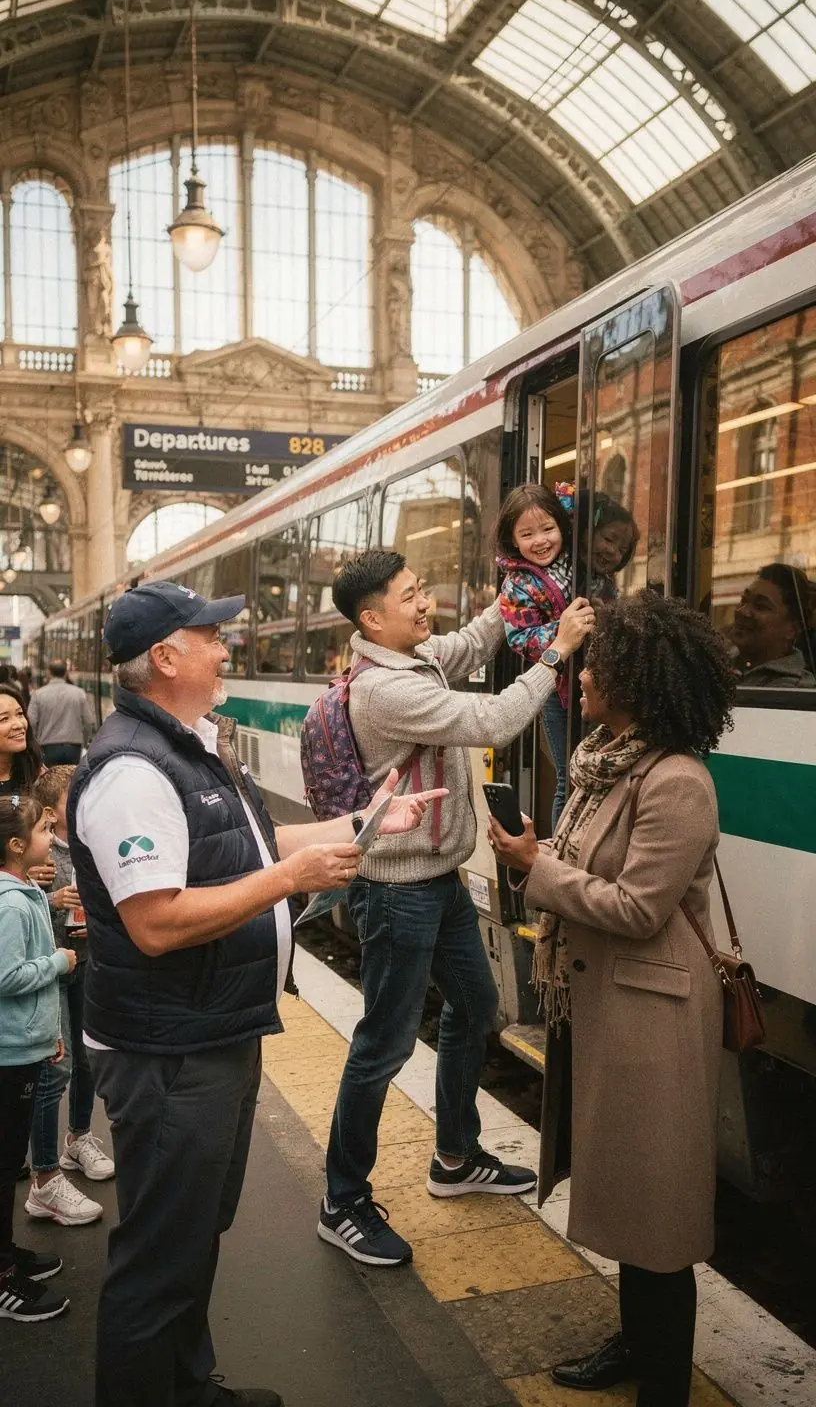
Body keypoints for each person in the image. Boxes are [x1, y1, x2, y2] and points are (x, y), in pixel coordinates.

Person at [67, 579, 445, 1407]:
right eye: (210, 634)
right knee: (159, 1257)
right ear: (167, 657)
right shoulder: (134, 770)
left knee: (194, 1237)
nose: (227, 644)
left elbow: (253, 840)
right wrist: (287, 879)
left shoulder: (188, 745)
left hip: (211, 1034)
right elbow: (157, 921)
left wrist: (370, 825)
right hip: (169, 1050)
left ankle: (189, 1388)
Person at [488, 593, 736, 1407]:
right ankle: (636, 1343)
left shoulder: (677, 783)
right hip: (612, 1007)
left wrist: (538, 867)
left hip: (654, 1015)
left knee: (656, 1211)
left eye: (596, 663)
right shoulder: (605, 763)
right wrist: (537, 850)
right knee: (631, 1197)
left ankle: (664, 1382)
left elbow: (638, 908)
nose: (582, 675)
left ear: (635, 679)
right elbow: (582, 859)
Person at [317, 549, 594, 1268]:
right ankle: (341, 1199)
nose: (423, 602)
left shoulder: (415, 657)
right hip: (397, 891)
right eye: (409, 596)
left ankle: (455, 1156)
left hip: (436, 882)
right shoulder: (385, 690)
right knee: (383, 1045)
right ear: (371, 618)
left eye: (420, 588)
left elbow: (471, 640)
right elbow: (497, 719)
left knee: (477, 1009)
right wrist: (556, 652)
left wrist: (519, 596)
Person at [25, 767, 112, 1230]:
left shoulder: (94, 842)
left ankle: (78, 1138)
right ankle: (44, 1175)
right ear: (50, 812)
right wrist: (52, 898)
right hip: (54, 967)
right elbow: (25, 916)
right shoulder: (38, 857)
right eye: (73, 797)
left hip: (87, 961)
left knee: (87, 1058)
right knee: (54, 1068)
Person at [0, 793, 76, 1323]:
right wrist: (59, 961)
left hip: (22, 1048)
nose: (52, 840)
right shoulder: (8, 903)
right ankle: (2, 1277)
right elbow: (7, 976)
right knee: (3, 1166)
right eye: (44, 832)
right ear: (16, 844)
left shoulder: (24, 892)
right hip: (8, 1056)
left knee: (7, 1165)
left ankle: (5, 1256)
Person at [496, 482, 575, 832]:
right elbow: (521, 639)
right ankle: (561, 858)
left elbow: (581, 500)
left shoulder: (576, 555)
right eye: (527, 534)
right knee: (568, 779)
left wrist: (567, 492)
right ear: (513, 540)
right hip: (557, 693)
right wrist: (565, 629)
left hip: (599, 682)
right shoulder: (515, 586)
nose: (540, 541)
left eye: (548, 528)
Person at [728, 562, 815, 688]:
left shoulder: (793, 691)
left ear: (792, 629)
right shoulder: (722, 661)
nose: (742, 611)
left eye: (761, 606)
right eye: (744, 600)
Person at [27, 660, 95, 767]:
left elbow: (31, 722)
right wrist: (85, 741)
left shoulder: (38, 694)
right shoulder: (79, 693)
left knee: (49, 781)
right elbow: (89, 721)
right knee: (70, 780)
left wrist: (34, 744)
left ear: (49, 672)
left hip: (48, 747)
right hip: (73, 747)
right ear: (66, 673)